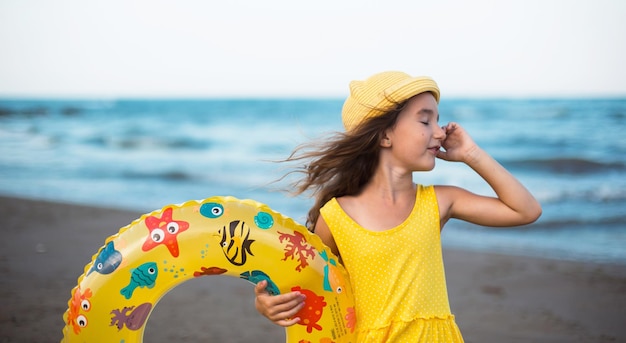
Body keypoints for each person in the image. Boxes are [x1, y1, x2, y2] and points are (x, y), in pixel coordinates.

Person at [254, 71, 542, 342]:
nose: (440, 133)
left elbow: (525, 211)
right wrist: (269, 303)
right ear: (384, 135)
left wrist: (471, 154)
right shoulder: (335, 217)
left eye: (438, 121)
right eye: (425, 121)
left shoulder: (439, 201)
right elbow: (309, 288)